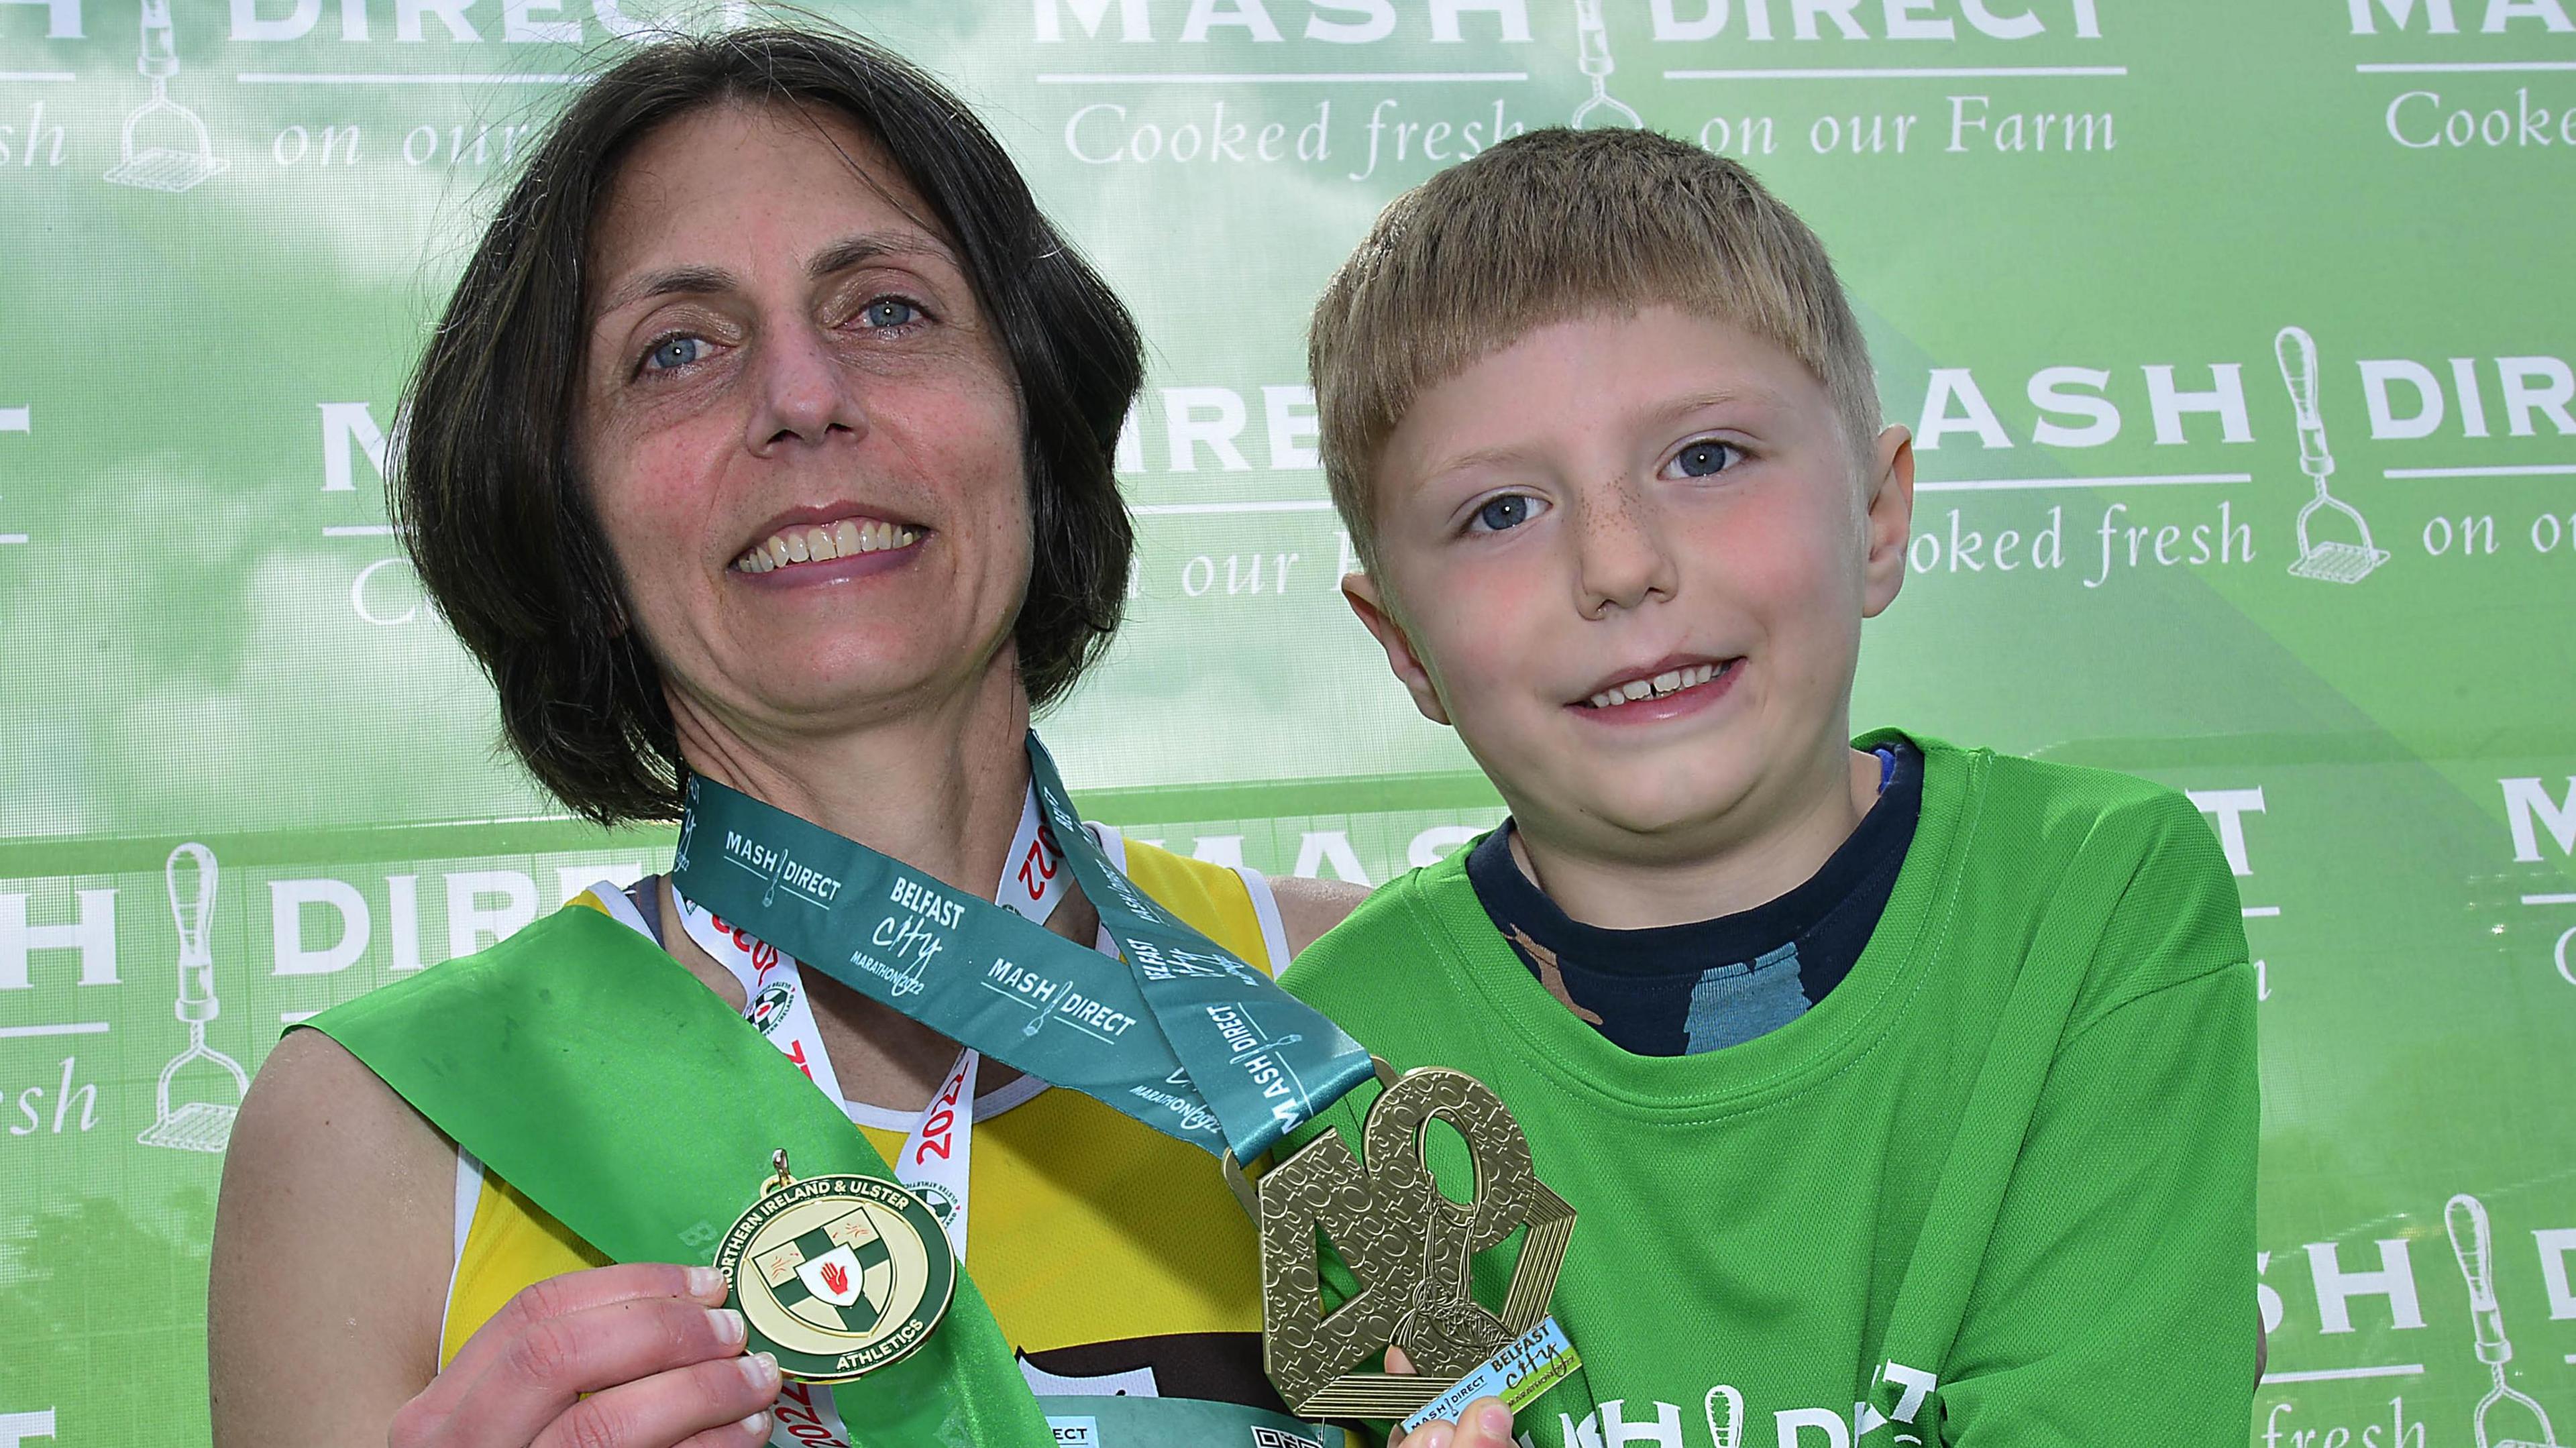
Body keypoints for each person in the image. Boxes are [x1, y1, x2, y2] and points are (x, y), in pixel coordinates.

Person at [208, 27, 1364, 1448]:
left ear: (1034, 414)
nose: (804, 399)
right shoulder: (378, 1133)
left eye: (886, 310)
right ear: (568, 510)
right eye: (676, 350)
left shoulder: (1347, 1014)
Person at [1280, 127, 2259, 1447]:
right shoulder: (1330, 1061)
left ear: (1876, 516)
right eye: (1502, 511)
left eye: (1706, 458)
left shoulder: (2097, 893)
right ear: (1400, 640)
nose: (1621, 565)